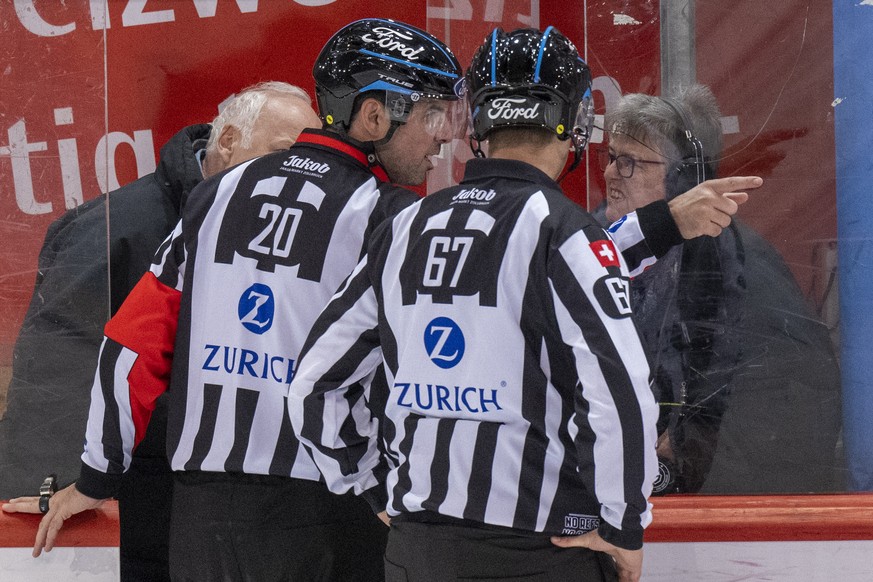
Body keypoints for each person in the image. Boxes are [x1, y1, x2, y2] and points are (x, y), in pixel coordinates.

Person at [288, 26, 762, 582]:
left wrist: (369, 487)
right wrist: (623, 525)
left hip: (417, 553)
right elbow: (619, 399)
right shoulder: (564, 237)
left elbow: (314, 384)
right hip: (541, 552)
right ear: (576, 122)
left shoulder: (405, 228)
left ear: (479, 123)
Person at [4, 18, 471, 581]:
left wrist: (98, 476)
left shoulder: (216, 194)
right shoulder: (391, 215)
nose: (444, 136)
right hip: (331, 507)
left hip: (203, 516)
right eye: (432, 116)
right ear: (373, 116)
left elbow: (131, 345)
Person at [0, 81, 321, 580]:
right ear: (231, 140)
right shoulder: (115, 229)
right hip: (129, 525)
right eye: (283, 154)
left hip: (216, 524)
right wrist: (49, 493)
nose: (294, 177)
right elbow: (55, 384)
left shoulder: (268, 234)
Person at [600, 84, 842, 494]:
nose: (609, 174)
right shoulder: (602, 246)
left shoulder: (740, 269)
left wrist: (687, 446)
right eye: (610, 158)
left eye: (630, 163)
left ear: (683, 180)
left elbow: (800, 400)